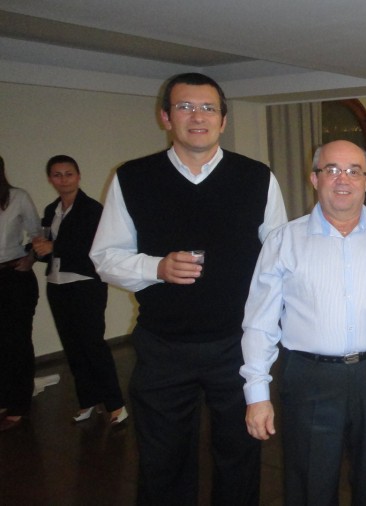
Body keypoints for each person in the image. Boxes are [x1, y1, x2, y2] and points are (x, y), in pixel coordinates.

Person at [90, 73, 287, 505]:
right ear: (166, 117)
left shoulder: (257, 178)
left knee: (240, 456)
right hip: (163, 346)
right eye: (185, 107)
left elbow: (279, 261)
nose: (197, 117)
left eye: (208, 108)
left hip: (237, 345)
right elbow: (104, 257)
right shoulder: (133, 177)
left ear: (223, 120)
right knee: (162, 462)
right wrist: (156, 267)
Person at [241, 139, 366, 506]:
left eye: (354, 171)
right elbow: (260, 322)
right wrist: (257, 395)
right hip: (310, 380)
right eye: (333, 170)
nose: (344, 179)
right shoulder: (284, 240)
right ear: (315, 178)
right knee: (310, 486)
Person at [32, 155, 127, 425]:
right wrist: (37, 249)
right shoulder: (52, 210)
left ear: (78, 176)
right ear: (50, 179)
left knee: (93, 345)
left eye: (68, 174)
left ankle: (116, 404)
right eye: (57, 175)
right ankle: (88, 400)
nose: (63, 180)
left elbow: (94, 249)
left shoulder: (92, 209)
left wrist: (54, 247)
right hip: (57, 284)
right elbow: (49, 249)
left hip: (85, 284)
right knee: (72, 347)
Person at [0, 156, 41, 433]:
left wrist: (30, 259)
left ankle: (19, 405)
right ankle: (4, 398)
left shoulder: (18, 197)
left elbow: (39, 234)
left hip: (14, 277)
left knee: (17, 342)